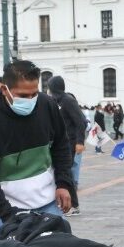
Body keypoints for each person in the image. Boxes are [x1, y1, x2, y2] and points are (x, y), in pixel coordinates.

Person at [0, 59, 74, 238]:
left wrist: (64, 183)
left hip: (48, 204)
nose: (30, 100)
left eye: (34, 93)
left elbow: (61, 145)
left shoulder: (47, 105)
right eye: (23, 95)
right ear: (5, 90)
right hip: (7, 210)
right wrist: (6, 214)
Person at [47, 76, 87, 217]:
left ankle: (74, 205)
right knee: (62, 174)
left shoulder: (68, 101)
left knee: (67, 175)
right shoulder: (55, 101)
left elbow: (80, 122)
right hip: (59, 143)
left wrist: (80, 142)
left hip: (70, 143)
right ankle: (63, 203)